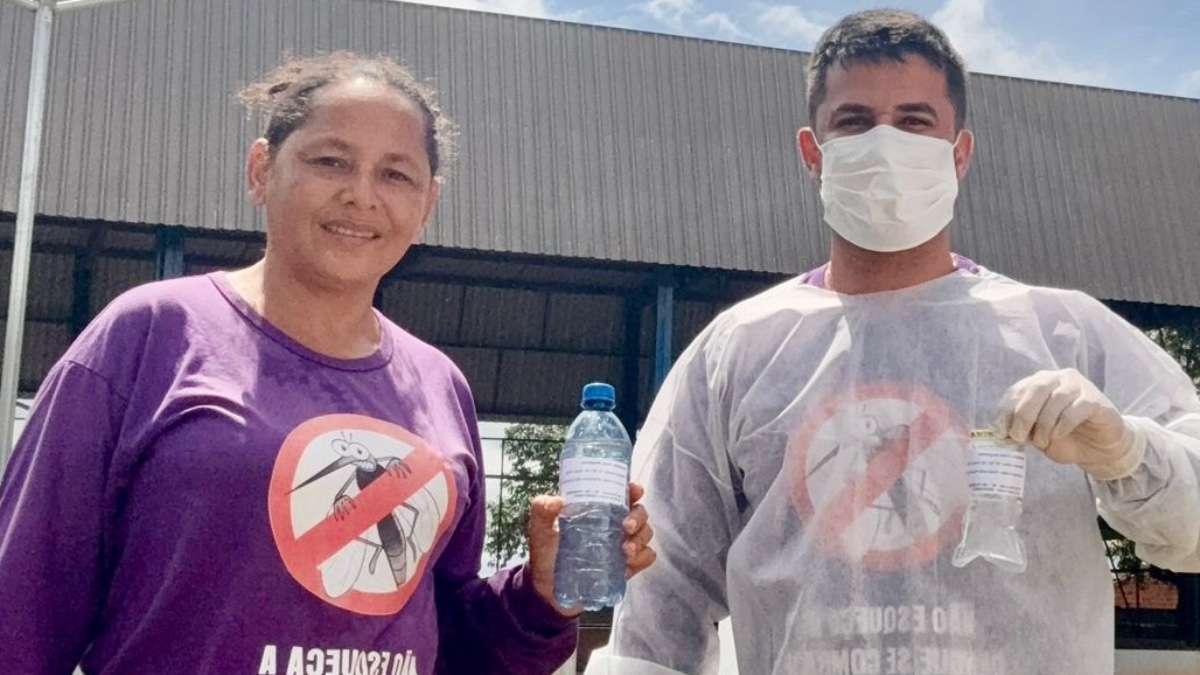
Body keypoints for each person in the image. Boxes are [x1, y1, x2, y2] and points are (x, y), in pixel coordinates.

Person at [587, 9, 1200, 675]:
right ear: (812, 151)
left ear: (960, 152)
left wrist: (1127, 450)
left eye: (914, 121)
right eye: (854, 121)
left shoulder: (1065, 334)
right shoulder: (736, 353)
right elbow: (659, 592)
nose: (885, 144)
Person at [0, 52, 655, 675]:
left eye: (395, 174)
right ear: (261, 169)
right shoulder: (148, 337)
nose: (361, 195)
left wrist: (539, 595)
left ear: (427, 204)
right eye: (330, 160)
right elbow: (22, 609)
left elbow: (451, 644)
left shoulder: (440, 387)